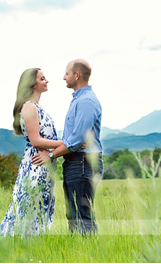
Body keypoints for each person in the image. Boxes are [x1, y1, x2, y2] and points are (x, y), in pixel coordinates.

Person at [0, 68, 63, 237]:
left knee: (42, 206)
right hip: (36, 165)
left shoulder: (36, 107)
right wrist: (66, 144)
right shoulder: (29, 107)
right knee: (31, 206)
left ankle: (35, 243)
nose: (47, 81)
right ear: (32, 84)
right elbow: (35, 140)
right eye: (42, 78)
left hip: (45, 164)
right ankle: (22, 243)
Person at [31, 59, 102, 234]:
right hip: (75, 162)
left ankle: (89, 256)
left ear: (77, 75)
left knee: (81, 213)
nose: (64, 77)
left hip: (83, 162)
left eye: (67, 73)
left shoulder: (86, 101)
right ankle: (80, 253)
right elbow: (74, 140)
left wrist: (51, 155)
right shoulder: (79, 99)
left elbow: (77, 139)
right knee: (74, 214)